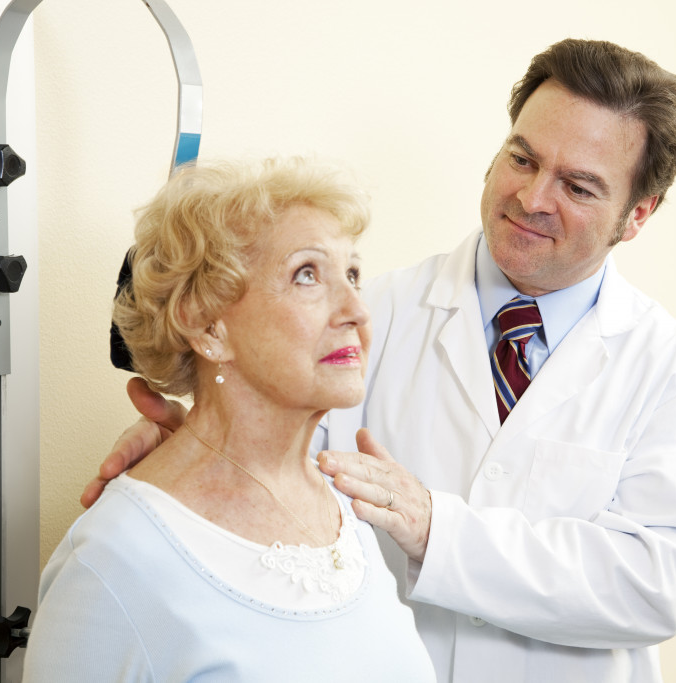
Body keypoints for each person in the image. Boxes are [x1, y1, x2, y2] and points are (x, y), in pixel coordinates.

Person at [88, 39, 676, 682]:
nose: (533, 197)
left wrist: (436, 530)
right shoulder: (373, 317)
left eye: (579, 186)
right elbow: (276, 465)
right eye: (523, 158)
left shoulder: (674, 375)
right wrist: (202, 444)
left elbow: (655, 586)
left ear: (637, 215)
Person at [26, 158, 435, 682]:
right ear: (207, 327)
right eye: (307, 274)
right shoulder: (112, 563)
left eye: (352, 273)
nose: (357, 307)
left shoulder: (343, 512)